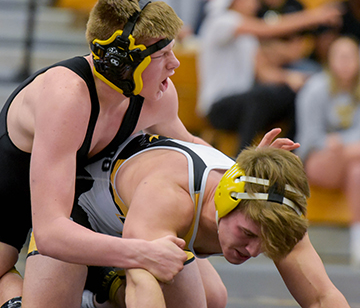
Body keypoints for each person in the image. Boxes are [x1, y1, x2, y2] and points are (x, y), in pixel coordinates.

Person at [0, 0, 220, 308]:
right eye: (162, 54)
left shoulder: (158, 94)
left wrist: (247, 170)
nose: (175, 64)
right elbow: (52, 232)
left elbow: (192, 147)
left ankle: (101, 284)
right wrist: (141, 252)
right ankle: (4, 287)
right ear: (119, 60)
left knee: (212, 297)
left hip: (83, 205)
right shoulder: (67, 95)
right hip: (4, 204)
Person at [58, 131, 349, 308]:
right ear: (226, 199)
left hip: (134, 233)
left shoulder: (270, 209)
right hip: (76, 214)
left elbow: (322, 297)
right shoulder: (172, 196)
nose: (253, 250)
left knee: (213, 297)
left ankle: (102, 291)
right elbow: (142, 282)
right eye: (247, 234)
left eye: (264, 243)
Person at [196, 0, 342, 155]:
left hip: (245, 103)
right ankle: (243, 161)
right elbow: (268, 29)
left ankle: (287, 157)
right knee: (259, 97)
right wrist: (314, 17)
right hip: (218, 107)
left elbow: (264, 73)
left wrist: (291, 78)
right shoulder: (220, 22)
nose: (256, 2)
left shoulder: (246, 37)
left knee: (295, 94)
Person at [295, 35, 360, 267]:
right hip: (320, 160)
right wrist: (331, 144)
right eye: (340, 57)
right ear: (330, 60)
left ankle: (357, 239)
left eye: (350, 57)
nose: (345, 63)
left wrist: (343, 144)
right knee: (344, 157)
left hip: (351, 160)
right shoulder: (315, 88)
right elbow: (308, 137)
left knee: (357, 173)